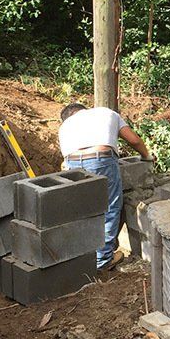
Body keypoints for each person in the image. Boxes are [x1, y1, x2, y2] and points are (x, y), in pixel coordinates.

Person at [58, 103, 154, 271]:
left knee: (85, 210)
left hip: (73, 164)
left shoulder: (65, 126)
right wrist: (146, 156)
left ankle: (85, 255)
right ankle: (103, 261)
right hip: (100, 159)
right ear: (84, 109)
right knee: (109, 208)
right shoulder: (105, 113)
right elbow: (134, 140)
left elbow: (66, 160)